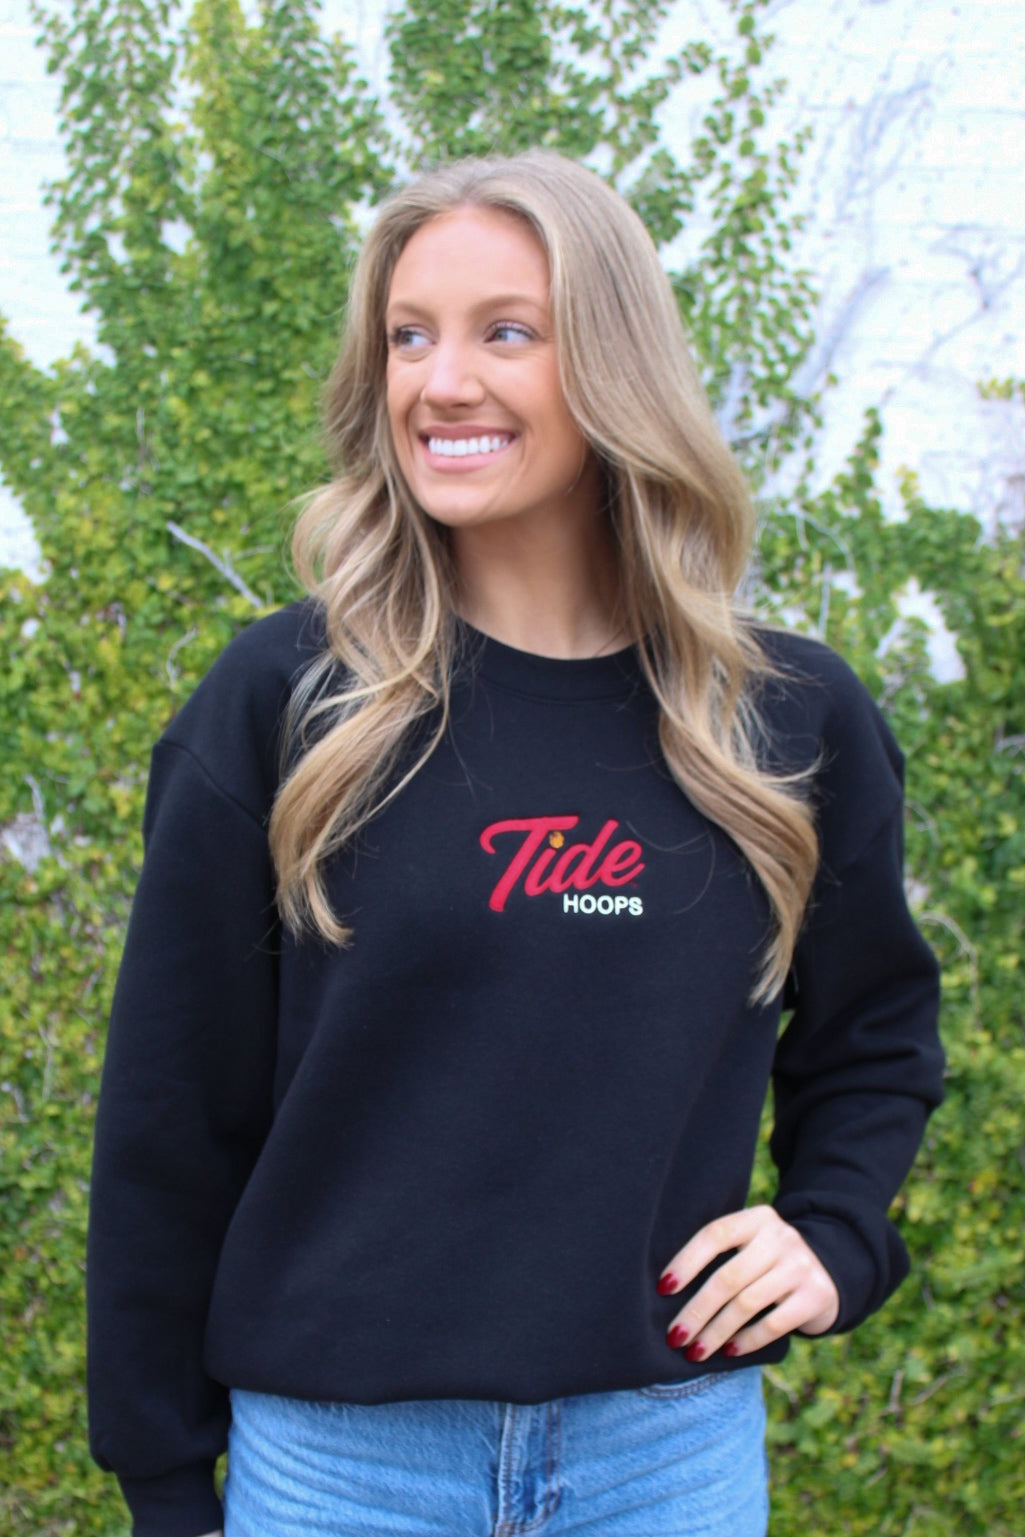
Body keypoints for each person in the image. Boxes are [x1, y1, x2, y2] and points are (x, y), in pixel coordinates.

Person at [86, 150, 945, 1537]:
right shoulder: (291, 706)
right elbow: (168, 1122)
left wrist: (835, 1233)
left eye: (506, 332)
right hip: (341, 1474)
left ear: (614, 361)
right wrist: (166, 1488)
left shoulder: (783, 720)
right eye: (407, 336)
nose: (441, 382)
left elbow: (876, 1033)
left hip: (666, 1463)